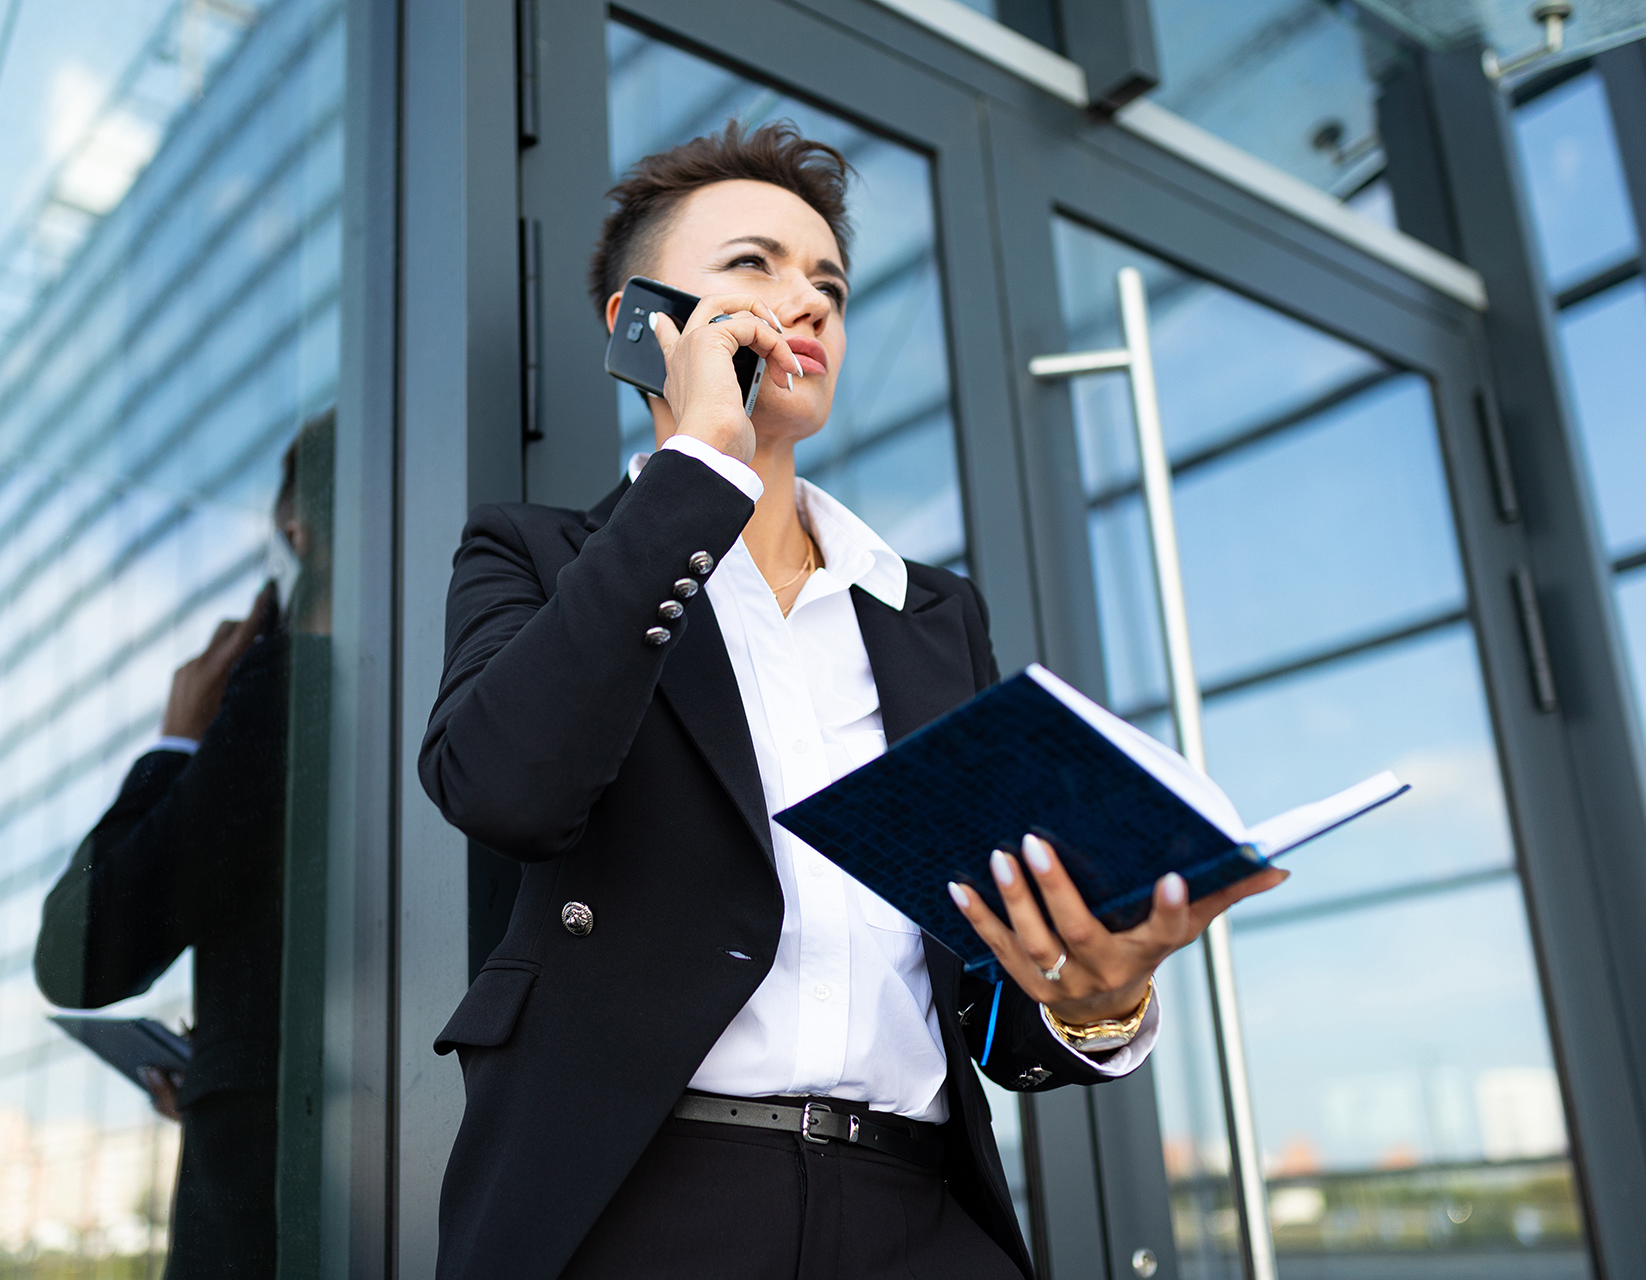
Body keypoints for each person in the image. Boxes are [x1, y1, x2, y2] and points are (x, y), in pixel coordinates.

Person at [418, 123, 1283, 1279]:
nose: (809, 302)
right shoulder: (533, 554)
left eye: (827, 280)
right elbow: (506, 785)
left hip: (918, 1206)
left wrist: (1098, 997)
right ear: (640, 320)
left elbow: (976, 968)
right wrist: (698, 475)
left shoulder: (929, 613)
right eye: (755, 266)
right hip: (641, 1203)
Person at [33, 410, 333, 1277]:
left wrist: (175, 744)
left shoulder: (284, 692)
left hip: (277, 1211)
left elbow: (76, 955)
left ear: (294, 537)